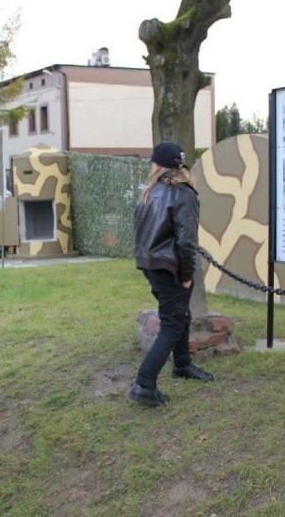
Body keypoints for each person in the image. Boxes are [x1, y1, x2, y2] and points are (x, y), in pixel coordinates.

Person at [130, 141, 214, 407]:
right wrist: (187, 274)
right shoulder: (183, 194)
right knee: (173, 323)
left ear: (157, 165)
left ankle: (182, 365)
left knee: (180, 314)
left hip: (151, 265)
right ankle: (144, 384)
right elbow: (187, 241)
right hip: (169, 266)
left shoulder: (149, 193)